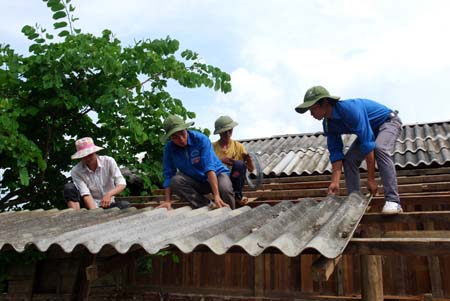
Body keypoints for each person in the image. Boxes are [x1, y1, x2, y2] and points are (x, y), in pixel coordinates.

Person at [295, 85, 403, 214]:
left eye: (313, 108)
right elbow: (336, 152)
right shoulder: (328, 124)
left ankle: (393, 201)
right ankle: (354, 203)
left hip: (388, 122)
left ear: (325, 103)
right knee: (350, 160)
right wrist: (335, 182)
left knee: (380, 148)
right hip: (370, 131)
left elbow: (368, 144)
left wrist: (371, 179)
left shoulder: (349, 110)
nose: (311, 113)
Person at [157, 115, 235, 210]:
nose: (181, 139)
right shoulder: (169, 149)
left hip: (217, 176)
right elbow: (168, 174)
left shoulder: (200, 139)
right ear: (170, 138)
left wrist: (216, 195)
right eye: (175, 137)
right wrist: (168, 201)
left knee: (225, 189)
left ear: (186, 129)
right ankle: (208, 205)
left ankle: (232, 212)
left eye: (182, 134)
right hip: (197, 181)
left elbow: (209, 167)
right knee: (175, 181)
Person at [63, 137, 129, 210]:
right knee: (69, 187)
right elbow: (85, 194)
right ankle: (76, 215)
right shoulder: (76, 171)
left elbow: (121, 183)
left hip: (108, 203)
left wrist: (109, 194)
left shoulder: (108, 161)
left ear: (95, 152)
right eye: (84, 156)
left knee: (124, 205)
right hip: (87, 205)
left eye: (90, 155)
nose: (87, 158)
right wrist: (95, 213)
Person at [212, 116, 254, 205]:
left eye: (230, 130)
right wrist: (220, 160)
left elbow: (251, 169)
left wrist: (248, 160)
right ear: (219, 133)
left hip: (234, 178)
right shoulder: (212, 147)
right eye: (224, 132)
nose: (227, 134)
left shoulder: (238, 146)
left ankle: (237, 195)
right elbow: (206, 166)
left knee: (239, 164)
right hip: (218, 179)